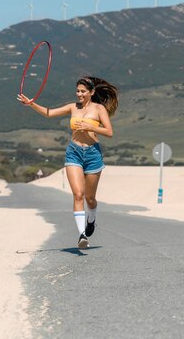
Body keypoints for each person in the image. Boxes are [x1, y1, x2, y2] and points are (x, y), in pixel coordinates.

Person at [17, 76, 118, 248]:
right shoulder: (73, 107)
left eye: (83, 91)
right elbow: (49, 113)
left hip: (93, 154)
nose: (79, 94)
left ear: (91, 92)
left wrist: (90, 127)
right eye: (77, 90)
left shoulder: (99, 109)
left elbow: (109, 132)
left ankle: (91, 218)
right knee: (78, 194)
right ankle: (82, 235)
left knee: (90, 198)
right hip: (74, 152)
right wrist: (31, 103)